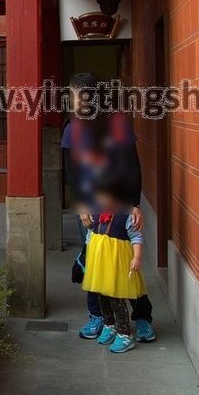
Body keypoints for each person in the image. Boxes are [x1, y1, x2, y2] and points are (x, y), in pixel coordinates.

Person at [62, 72, 155, 342]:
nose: (73, 101)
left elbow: (132, 165)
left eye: (76, 95)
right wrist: (79, 206)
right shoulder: (72, 129)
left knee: (126, 263)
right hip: (91, 208)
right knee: (94, 264)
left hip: (119, 205)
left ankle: (141, 317)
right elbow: (73, 173)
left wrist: (135, 203)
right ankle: (100, 317)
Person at [83, 169, 147, 353]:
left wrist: (136, 257)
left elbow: (136, 237)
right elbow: (91, 235)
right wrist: (89, 255)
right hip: (99, 264)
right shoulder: (94, 212)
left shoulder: (127, 215)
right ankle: (109, 325)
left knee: (117, 299)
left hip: (117, 266)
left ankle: (124, 334)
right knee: (102, 297)